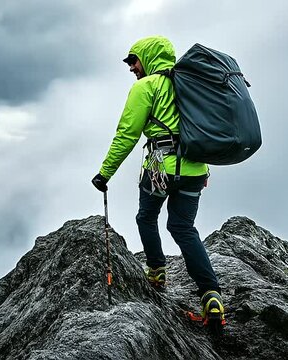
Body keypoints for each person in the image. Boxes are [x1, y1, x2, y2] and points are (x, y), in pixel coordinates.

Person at [91, 35, 224, 324]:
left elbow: (127, 134)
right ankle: (211, 296)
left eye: (133, 60)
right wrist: (205, 169)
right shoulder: (189, 83)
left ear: (148, 58)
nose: (131, 68)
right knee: (183, 227)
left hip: (160, 167)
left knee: (146, 217)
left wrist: (105, 173)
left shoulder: (146, 86)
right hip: (195, 169)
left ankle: (157, 271)